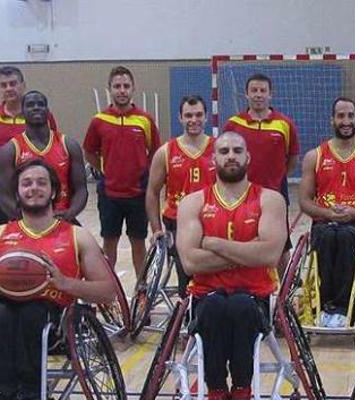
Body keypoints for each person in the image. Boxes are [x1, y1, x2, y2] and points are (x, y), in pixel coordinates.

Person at [0, 160, 115, 400]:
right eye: (26, 183)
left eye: (41, 183)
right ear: (17, 193)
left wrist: (65, 283)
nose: (33, 188)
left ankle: (32, 396)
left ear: (54, 192)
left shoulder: (77, 236)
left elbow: (108, 292)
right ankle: (4, 395)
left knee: (33, 312)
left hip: (57, 322)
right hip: (7, 317)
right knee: (0, 312)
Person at [176, 132, 287, 400]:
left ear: (248, 157)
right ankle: (215, 396)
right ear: (213, 159)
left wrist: (212, 242)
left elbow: (270, 255)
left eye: (238, 150)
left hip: (253, 296)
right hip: (206, 295)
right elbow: (190, 262)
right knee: (213, 307)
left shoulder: (270, 199)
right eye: (224, 151)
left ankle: (240, 396)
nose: (231, 156)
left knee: (239, 306)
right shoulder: (192, 202)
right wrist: (247, 251)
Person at [298, 97, 355, 328]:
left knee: (346, 237)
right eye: (341, 116)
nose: (346, 121)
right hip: (324, 222)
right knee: (329, 237)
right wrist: (328, 214)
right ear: (332, 120)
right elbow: (304, 202)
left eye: (350, 116)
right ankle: (328, 305)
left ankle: (339, 307)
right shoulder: (315, 156)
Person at [84, 66, 160, 279]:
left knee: (138, 242)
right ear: (110, 89)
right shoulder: (99, 121)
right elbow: (89, 151)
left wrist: (145, 171)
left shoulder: (144, 120)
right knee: (110, 242)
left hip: (138, 193)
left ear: (133, 89)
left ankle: (141, 289)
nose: (122, 90)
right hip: (110, 194)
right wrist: (105, 169)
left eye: (126, 86)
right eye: (117, 86)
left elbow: (155, 151)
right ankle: (109, 288)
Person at [224, 73, 300, 271]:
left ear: (270, 95)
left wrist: (276, 178)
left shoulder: (285, 124)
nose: (258, 95)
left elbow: (292, 159)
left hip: (274, 194)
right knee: (241, 242)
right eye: (254, 91)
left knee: (280, 246)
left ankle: (285, 293)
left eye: (263, 91)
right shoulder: (233, 124)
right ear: (246, 95)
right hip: (240, 195)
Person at [145, 95, 215, 296]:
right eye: (188, 115)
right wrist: (157, 229)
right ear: (180, 118)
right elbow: (152, 192)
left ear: (206, 117)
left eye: (199, 114)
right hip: (177, 221)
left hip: (211, 219)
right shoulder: (166, 152)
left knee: (213, 274)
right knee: (186, 274)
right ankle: (186, 316)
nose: (194, 120)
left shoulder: (219, 149)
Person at [0, 66, 58, 228]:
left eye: (13, 83)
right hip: (2, 186)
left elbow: (53, 145)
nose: (9, 88)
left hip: (34, 184)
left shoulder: (42, 115)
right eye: (4, 85)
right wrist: (0, 174)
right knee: (0, 232)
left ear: (23, 85)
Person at [0, 91, 88, 224]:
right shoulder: (10, 150)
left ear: (48, 110)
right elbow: (5, 196)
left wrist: (69, 214)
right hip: (25, 222)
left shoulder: (69, 145)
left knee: (87, 243)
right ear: (22, 111)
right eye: (30, 105)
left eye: (40, 104)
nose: (36, 107)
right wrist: (29, 218)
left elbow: (81, 190)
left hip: (63, 219)